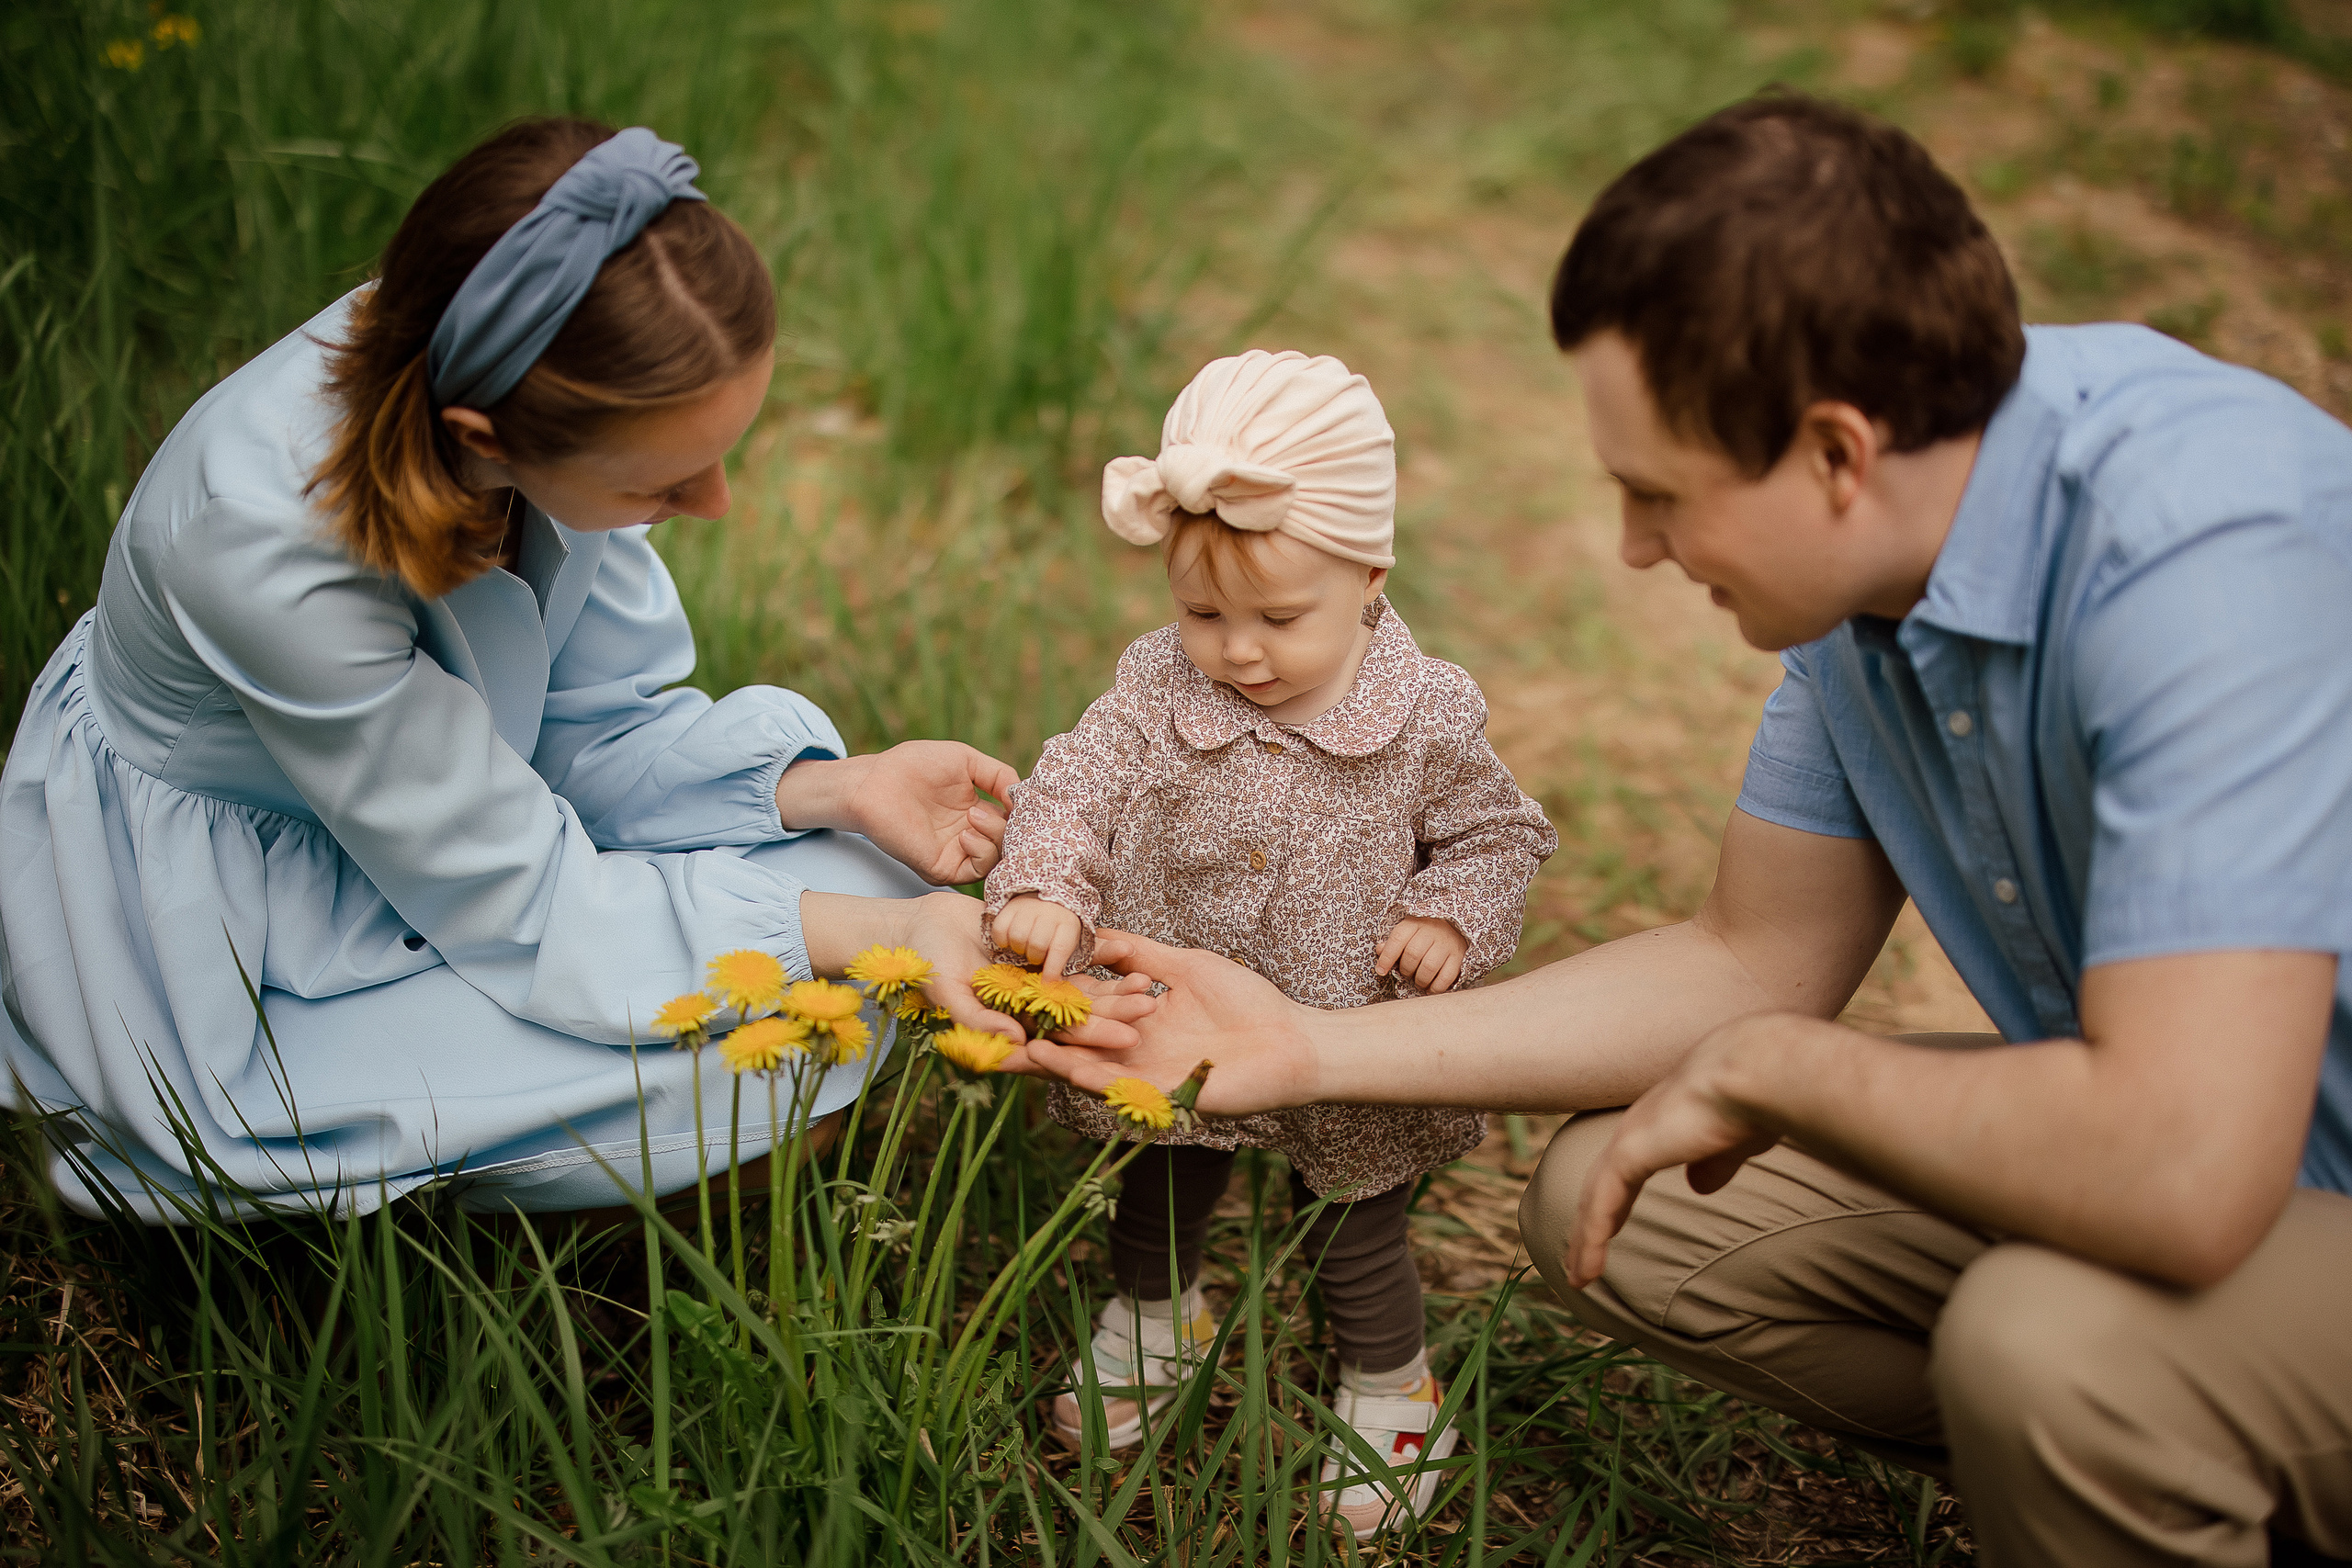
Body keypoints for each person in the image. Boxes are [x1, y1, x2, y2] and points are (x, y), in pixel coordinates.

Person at [1024, 94, 2352, 1564]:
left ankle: (2145, 1428)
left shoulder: (2199, 565)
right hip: (2214, 1147)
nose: (1635, 547)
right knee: (1625, 1205)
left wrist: (1787, 1068)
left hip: (2250, 1162)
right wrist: (1313, 1048)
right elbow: (1750, 958)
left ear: (1835, 453)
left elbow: (2180, 1165)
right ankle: (2177, 1459)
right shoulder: (1879, 573)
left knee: (2047, 1349)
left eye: (1659, 494)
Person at [0, 118, 1143, 1223]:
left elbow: (578, 729)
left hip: (451, 836)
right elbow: (527, 904)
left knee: (870, 873)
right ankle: (505, 1190)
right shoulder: (267, 553)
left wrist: (826, 790)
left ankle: (614, 1136)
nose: (712, 505)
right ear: (486, 439)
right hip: (241, 927)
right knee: (779, 1041)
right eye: (663, 482)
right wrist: (870, 937)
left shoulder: (526, 366)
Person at [983, 350, 1555, 1535]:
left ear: (1370, 577)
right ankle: (1157, 1319)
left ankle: (1389, 1379)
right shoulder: (1153, 687)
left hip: (1349, 1023)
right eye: (1203, 613)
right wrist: (1045, 883)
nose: (1237, 651)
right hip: (1179, 1006)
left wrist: (1449, 910)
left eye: (1278, 619)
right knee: (1164, 1168)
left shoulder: (1425, 713)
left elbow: (1498, 832)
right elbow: (1071, 787)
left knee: (1353, 1213)